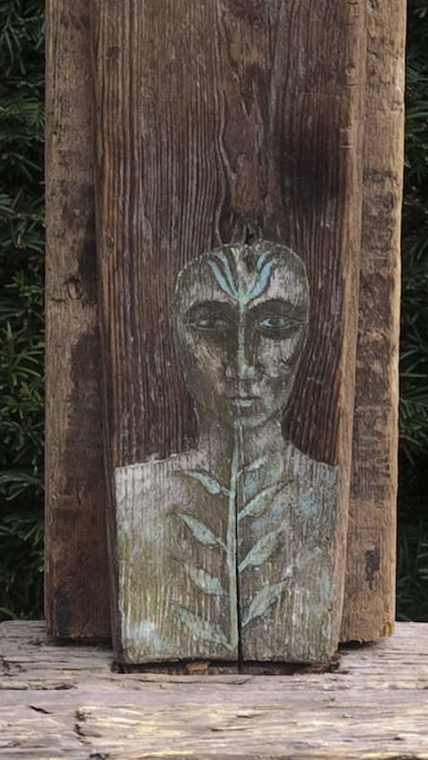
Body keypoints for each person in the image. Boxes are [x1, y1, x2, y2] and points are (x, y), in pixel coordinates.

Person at [112, 238, 340, 661]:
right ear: (178, 336)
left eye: (274, 325)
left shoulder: (327, 494)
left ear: (305, 333)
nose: (241, 361)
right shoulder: (136, 495)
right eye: (211, 326)